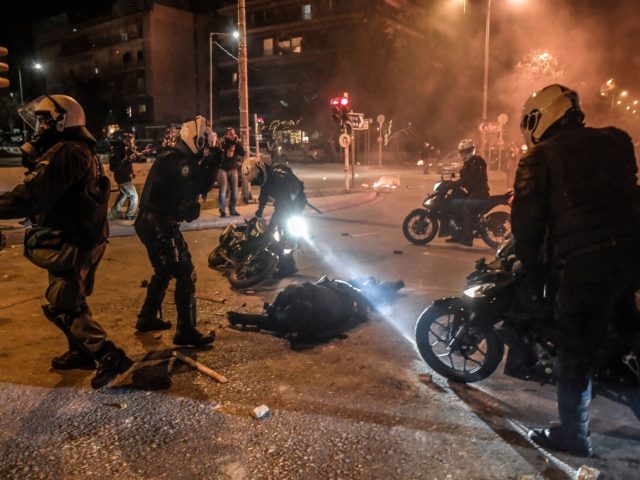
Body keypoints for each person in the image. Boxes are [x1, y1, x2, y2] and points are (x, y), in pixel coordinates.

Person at [512, 84, 640, 457]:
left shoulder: (538, 158)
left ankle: (574, 437)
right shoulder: (617, 140)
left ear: (542, 116)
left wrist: (535, 285)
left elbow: (527, 231)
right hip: (632, 258)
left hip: (587, 266)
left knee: (575, 352)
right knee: (627, 325)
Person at [0, 94, 132, 388]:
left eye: (46, 119)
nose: (40, 125)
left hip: (76, 237)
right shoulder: (76, 149)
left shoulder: (69, 152)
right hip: (79, 234)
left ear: (63, 120)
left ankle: (110, 356)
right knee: (72, 295)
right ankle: (80, 352)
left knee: (65, 303)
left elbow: (31, 195)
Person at [134, 115, 219, 346]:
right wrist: (212, 165)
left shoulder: (171, 157)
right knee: (185, 272)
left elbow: (189, 196)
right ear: (195, 140)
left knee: (163, 270)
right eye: (204, 143)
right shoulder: (180, 161)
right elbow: (196, 186)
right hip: (160, 224)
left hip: (151, 222)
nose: (205, 148)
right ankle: (186, 331)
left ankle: (147, 317)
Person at [447, 138, 490, 246]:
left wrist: (460, 182)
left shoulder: (478, 162)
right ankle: (456, 234)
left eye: (466, 152)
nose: (463, 154)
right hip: (472, 192)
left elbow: (472, 179)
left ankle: (468, 238)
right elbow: (465, 179)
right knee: (453, 202)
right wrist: (453, 184)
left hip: (480, 193)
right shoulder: (468, 163)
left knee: (467, 207)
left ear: (471, 150)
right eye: (462, 152)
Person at [108, 131, 139, 221]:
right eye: (131, 141)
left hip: (122, 176)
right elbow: (120, 162)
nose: (133, 143)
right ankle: (130, 215)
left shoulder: (122, 149)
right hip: (123, 177)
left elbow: (127, 163)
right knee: (134, 196)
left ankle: (115, 211)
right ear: (126, 141)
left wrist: (131, 171)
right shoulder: (122, 150)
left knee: (124, 194)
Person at [217, 127, 245, 217]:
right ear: (226, 135)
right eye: (230, 134)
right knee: (223, 191)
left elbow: (242, 153)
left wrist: (237, 142)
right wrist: (231, 143)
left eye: (234, 133)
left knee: (235, 191)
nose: (233, 135)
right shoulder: (223, 142)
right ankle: (222, 210)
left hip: (233, 169)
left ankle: (232, 209)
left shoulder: (236, 143)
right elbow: (226, 154)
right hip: (223, 169)